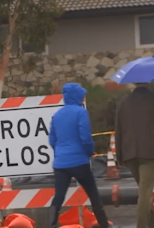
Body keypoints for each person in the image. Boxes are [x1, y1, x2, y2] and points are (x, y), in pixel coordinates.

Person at [48, 83, 110, 228]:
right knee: (93, 194)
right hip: (79, 161)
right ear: (77, 96)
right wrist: (89, 153)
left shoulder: (57, 115)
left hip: (60, 164)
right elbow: (85, 138)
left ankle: (50, 224)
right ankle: (104, 225)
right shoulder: (80, 112)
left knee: (59, 196)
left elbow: (52, 140)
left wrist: (60, 153)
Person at [115, 82, 154, 228]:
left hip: (130, 153)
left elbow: (118, 130)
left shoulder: (124, 103)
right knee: (145, 192)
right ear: (148, 82)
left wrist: (119, 156)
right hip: (150, 153)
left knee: (144, 189)